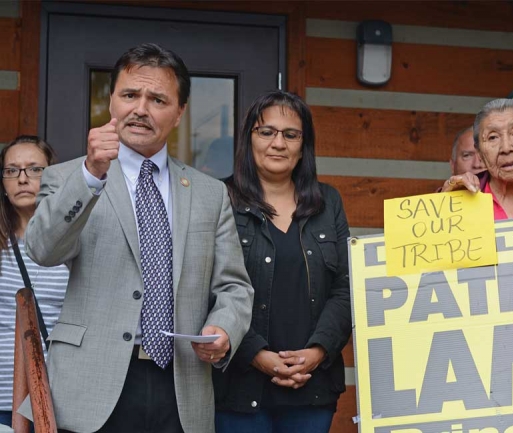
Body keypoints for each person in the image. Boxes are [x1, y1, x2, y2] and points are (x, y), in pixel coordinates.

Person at [24, 43, 254, 433]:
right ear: (112, 102)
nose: (141, 109)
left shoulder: (209, 192)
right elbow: (43, 250)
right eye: (130, 95)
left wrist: (224, 328)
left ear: (179, 112)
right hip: (90, 386)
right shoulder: (69, 178)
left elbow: (234, 285)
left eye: (158, 99)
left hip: (181, 387)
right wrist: (92, 174)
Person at [213, 90, 351, 433]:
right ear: (249, 139)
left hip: (312, 386)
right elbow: (205, 290)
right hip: (239, 385)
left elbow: (346, 289)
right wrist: (257, 355)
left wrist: (318, 351)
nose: (279, 143)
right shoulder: (219, 200)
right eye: (267, 132)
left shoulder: (328, 202)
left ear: (303, 146)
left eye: (291, 134)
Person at [0, 136, 68, 426]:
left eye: (34, 169)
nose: (23, 178)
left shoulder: (73, 243)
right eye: (12, 170)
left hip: (59, 394)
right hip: (2, 393)